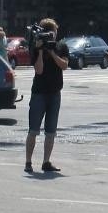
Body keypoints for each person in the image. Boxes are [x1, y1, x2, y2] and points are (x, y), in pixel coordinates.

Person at [24, 18, 69, 174]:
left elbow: (64, 65)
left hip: (55, 93)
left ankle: (46, 162)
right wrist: (41, 51)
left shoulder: (61, 47)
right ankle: (28, 162)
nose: (53, 35)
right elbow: (39, 70)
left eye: (54, 32)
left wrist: (52, 52)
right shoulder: (36, 48)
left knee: (51, 132)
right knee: (33, 130)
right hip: (39, 93)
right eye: (50, 32)